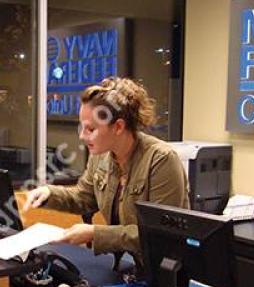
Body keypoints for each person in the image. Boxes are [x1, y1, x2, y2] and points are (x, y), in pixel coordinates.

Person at [24, 77, 189, 270]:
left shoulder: (161, 160)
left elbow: (160, 234)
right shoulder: (100, 156)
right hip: (131, 268)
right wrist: (50, 194)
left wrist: (95, 233)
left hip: (167, 274)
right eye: (81, 127)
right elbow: (84, 197)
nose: (82, 136)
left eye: (91, 129)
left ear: (118, 127)